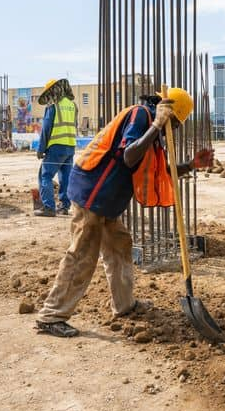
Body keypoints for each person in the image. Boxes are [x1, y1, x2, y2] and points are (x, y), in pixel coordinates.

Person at [36, 88, 214, 338]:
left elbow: (160, 170)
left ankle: (124, 305)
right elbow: (130, 156)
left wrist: (192, 165)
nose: (172, 131)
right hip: (93, 195)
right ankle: (51, 315)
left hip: (108, 201)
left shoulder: (152, 131)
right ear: (170, 116)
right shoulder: (140, 116)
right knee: (82, 254)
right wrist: (156, 126)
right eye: (174, 125)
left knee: (120, 247)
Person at [34, 79, 78, 217]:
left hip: (56, 146)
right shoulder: (73, 105)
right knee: (65, 177)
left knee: (45, 175)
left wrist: (41, 149)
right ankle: (64, 207)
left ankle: (48, 207)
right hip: (70, 146)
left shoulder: (53, 106)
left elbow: (46, 129)